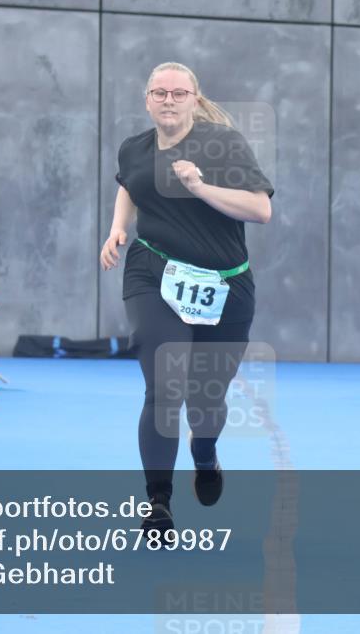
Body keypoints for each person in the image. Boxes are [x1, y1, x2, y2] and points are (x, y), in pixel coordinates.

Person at [100, 62, 273, 535]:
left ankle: (205, 452)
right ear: (147, 99)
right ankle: (158, 502)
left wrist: (200, 186)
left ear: (195, 99)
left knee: (205, 398)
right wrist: (118, 229)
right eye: (160, 93)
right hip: (153, 273)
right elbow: (127, 187)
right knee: (163, 386)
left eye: (179, 93)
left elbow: (261, 210)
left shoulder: (224, 145)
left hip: (225, 285)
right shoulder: (134, 148)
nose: (169, 100)